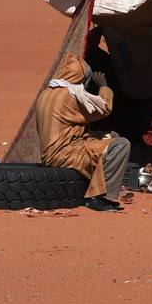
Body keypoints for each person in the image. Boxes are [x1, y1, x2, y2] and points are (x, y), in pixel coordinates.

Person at [35, 52, 130, 212]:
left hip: (51, 151)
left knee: (110, 136)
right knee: (121, 145)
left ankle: (107, 183)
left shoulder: (46, 93)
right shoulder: (69, 96)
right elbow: (104, 108)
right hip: (64, 153)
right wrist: (103, 86)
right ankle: (100, 197)